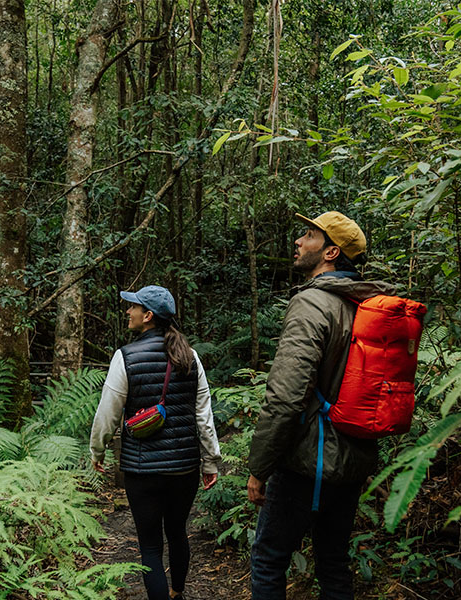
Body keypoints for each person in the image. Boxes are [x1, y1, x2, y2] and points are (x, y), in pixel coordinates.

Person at [246, 211, 395, 600]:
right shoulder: (363, 303)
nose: (298, 241)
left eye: (309, 236)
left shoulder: (312, 304)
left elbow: (285, 395)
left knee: (268, 559)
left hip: (306, 463)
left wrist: (260, 466)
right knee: (333, 563)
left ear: (330, 252)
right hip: (351, 461)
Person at [90, 285, 222, 600]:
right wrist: (210, 461)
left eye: (133, 307)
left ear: (147, 316)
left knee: (150, 545)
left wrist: (98, 450)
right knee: (177, 533)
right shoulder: (191, 357)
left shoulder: (125, 357)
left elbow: (107, 413)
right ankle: (177, 592)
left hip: (141, 469)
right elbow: (203, 416)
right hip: (183, 468)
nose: (128, 311)